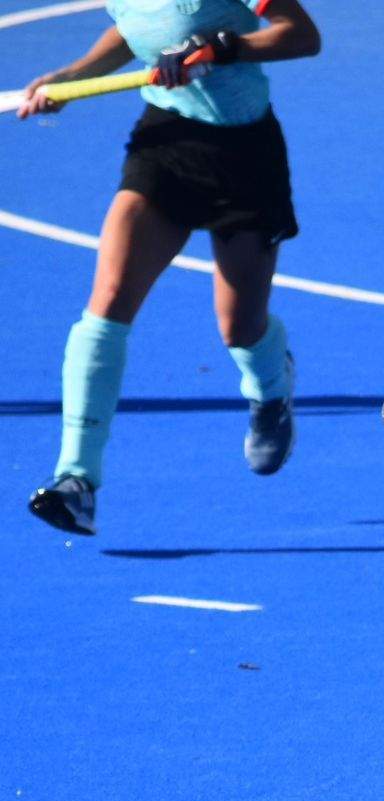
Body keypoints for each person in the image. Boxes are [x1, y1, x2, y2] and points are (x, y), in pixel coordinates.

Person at [20, 0, 321, 537]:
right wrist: (71, 77)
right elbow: (131, 28)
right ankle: (76, 479)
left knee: (240, 327)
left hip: (246, 153)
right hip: (166, 143)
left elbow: (301, 35)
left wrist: (226, 48)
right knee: (108, 302)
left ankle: (271, 390)